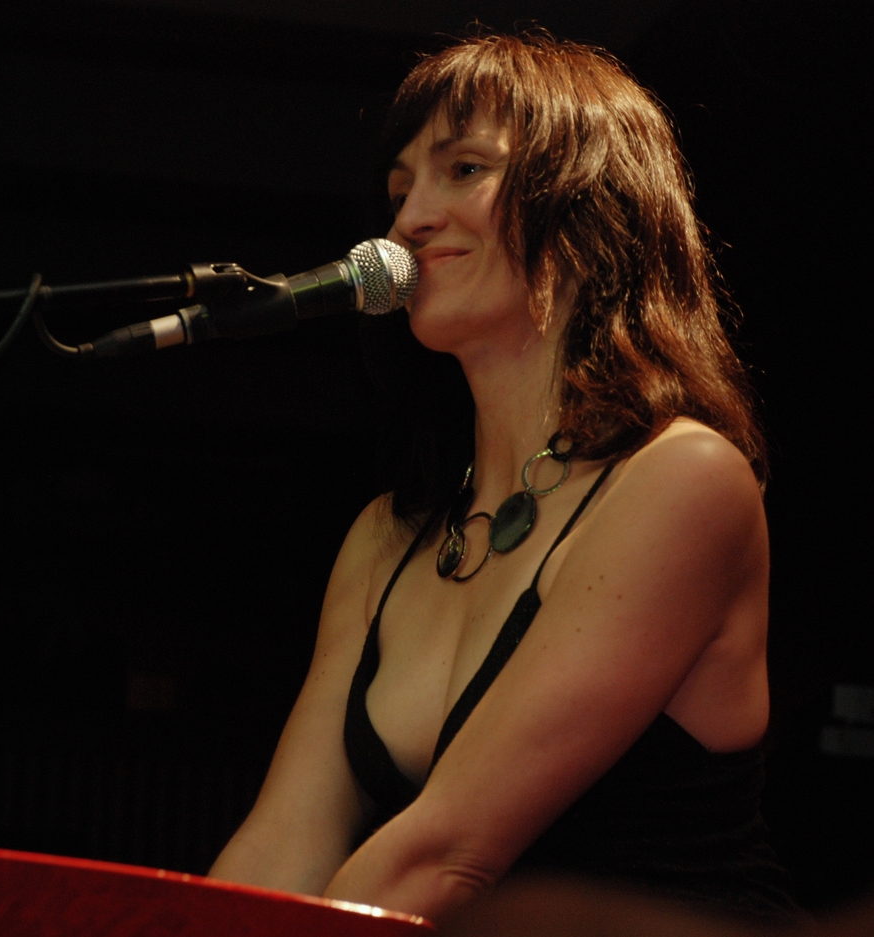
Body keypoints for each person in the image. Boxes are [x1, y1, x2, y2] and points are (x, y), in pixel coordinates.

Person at [209, 32, 800, 924]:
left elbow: (446, 854)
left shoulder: (682, 478)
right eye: (400, 191)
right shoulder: (387, 537)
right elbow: (280, 846)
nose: (409, 220)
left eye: (464, 170)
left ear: (590, 204)